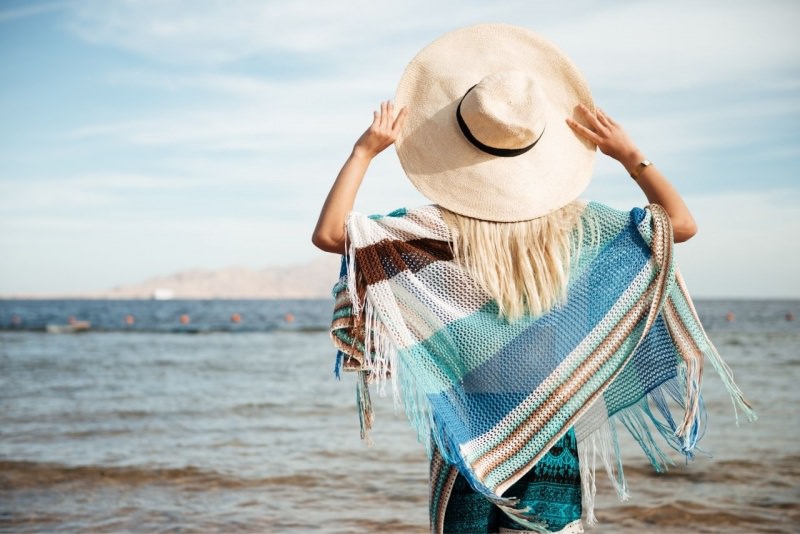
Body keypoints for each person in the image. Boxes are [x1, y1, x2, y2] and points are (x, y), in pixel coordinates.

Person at [313, 24, 753, 534]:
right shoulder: (582, 226)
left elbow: (331, 234)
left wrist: (364, 151)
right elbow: (680, 226)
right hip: (553, 421)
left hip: (467, 432)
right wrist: (631, 155)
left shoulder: (434, 227)